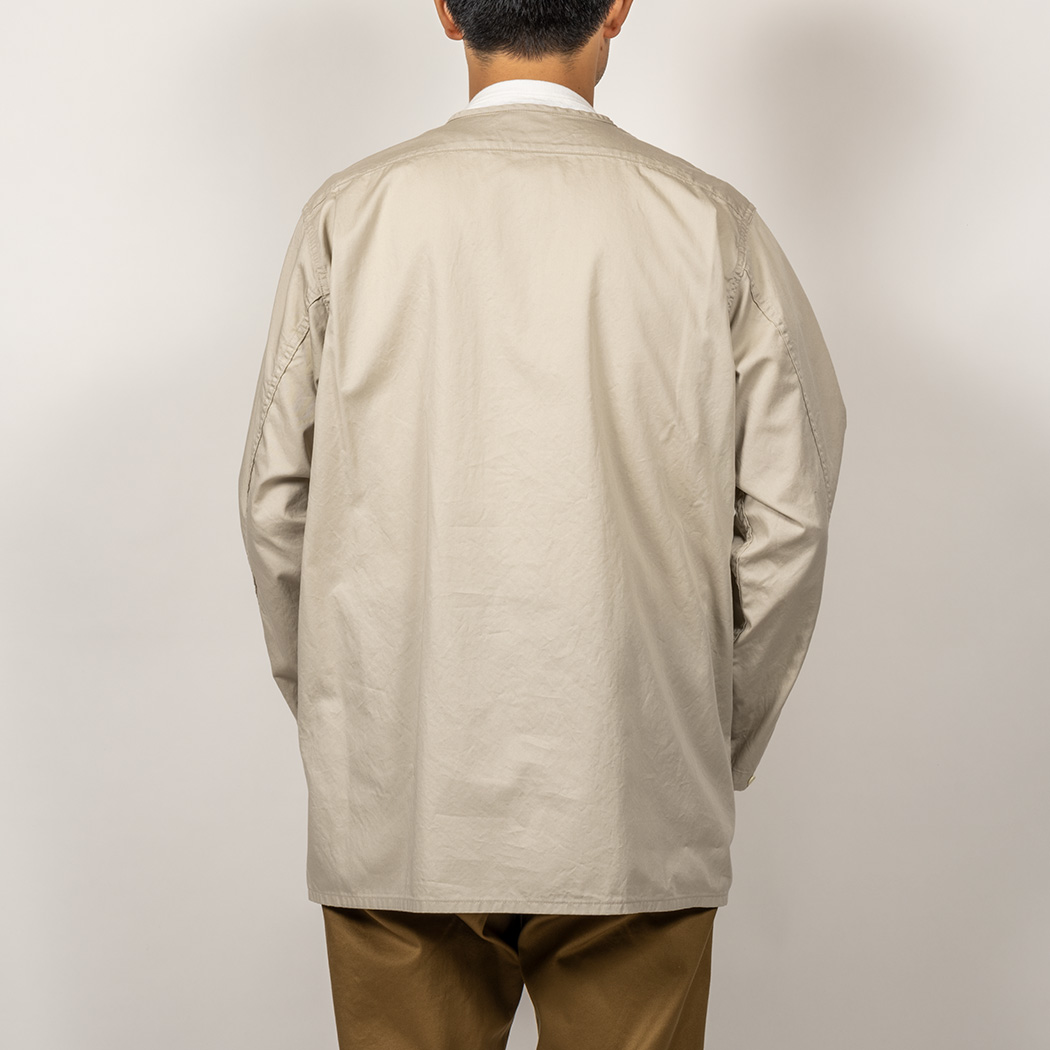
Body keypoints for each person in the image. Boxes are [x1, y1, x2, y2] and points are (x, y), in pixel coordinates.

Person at [236, 0, 847, 1046]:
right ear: (617, 8)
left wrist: (354, 724)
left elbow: (273, 502)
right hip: (633, 795)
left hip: (399, 801)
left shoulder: (351, 214)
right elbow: (789, 517)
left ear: (445, 12)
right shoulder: (708, 221)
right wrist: (698, 737)